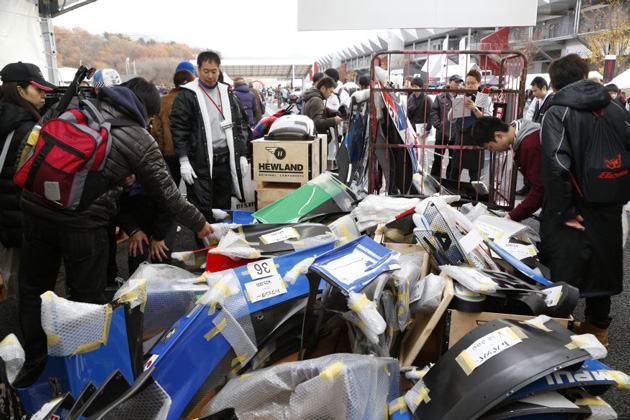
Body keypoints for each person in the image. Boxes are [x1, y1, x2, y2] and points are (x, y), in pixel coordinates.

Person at [18, 77, 212, 378]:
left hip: (34, 210)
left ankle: (34, 367)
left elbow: (33, 146)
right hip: (84, 225)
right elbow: (170, 196)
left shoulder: (72, 103)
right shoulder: (137, 136)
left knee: (33, 290)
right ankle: (87, 375)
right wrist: (203, 227)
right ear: (145, 111)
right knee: (87, 299)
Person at [540, 53, 630, 345]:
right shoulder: (616, 108)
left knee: (565, 267)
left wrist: (564, 209)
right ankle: (597, 329)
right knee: (603, 264)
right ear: (584, 74)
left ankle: (558, 335)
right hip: (610, 200)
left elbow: (557, 163)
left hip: (574, 204)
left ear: (554, 84)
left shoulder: (557, 111)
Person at [170, 51, 250, 226]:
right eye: (206, 71)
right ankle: (204, 246)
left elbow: (237, 126)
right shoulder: (188, 94)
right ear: (198, 69)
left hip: (224, 159)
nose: (210, 76)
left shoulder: (226, 92)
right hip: (199, 160)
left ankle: (221, 244)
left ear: (219, 70)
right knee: (202, 207)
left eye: (214, 71)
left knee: (223, 207)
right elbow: (179, 129)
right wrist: (184, 160)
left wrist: (242, 154)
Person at [0, 62, 53, 299]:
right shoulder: (31, 129)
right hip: (21, 219)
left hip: (6, 219)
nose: (44, 94)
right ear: (20, 91)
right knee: (35, 291)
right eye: (38, 89)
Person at [471, 116, 544, 222]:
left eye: (490, 147)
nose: (492, 151)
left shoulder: (530, 145)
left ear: (498, 135)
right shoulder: (520, 131)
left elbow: (540, 188)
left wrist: (512, 216)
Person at [116, 179, 177, 275]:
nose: (126, 179)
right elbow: (117, 209)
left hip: (164, 215)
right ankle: (135, 285)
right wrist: (133, 231)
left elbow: (168, 206)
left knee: (160, 254)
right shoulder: (113, 177)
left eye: (129, 175)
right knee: (137, 253)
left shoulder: (155, 172)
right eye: (123, 176)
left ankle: (162, 285)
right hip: (138, 217)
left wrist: (158, 237)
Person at [151, 69, 195, 187]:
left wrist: (163, 149)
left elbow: (156, 130)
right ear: (188, 82)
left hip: (170, 153)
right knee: (195, 192)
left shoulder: (163, 100)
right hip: (192, 152)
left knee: (171, 190)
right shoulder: (193, 99)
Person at [448, 69, 492, 182]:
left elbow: (487, 120)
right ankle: (452, 194)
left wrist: (474, 108)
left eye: (473, 83)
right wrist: (456, 106)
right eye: (467, 83)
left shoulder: (484, 98)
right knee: (454, 172)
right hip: (461, 137)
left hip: (476, 139)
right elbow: (451, 119)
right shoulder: (461, 96)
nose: (470, 85)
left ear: (479, 83)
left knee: (474, 176)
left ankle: (475, 197)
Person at [429, 75, 462, 178]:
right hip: (441, 133)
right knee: (438, 158)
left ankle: (449, 180)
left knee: (453, 160)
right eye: (456, 82)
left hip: (456, 134)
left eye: (459, 82)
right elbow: (433, 111)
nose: (458, 84)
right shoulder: (440, 97)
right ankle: (435, 179)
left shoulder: (461, 97)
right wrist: (438, 125)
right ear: (450, 82)